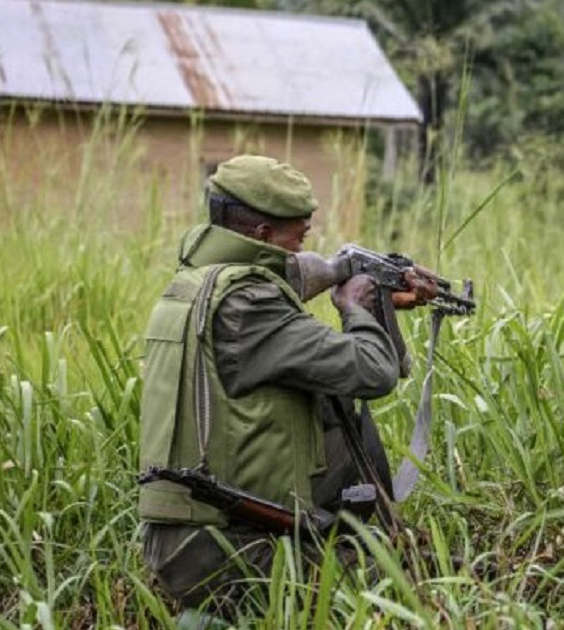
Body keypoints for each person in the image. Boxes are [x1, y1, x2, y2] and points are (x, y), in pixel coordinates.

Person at [137, 155, 433, 627]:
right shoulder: (249, 306)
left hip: (189, 537)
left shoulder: (195, 286)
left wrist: (355, 277)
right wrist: (356, 305)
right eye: (298, 238)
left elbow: (294, 278)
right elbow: (374, 372)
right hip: (228, 549)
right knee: (404, 586)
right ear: (260, 237)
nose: (302, 249)